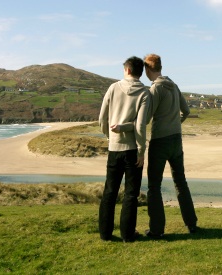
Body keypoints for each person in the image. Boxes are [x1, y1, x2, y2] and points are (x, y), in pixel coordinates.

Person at [143, 53, 198, 238]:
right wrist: (176, 123)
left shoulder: (155, 89)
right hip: (176, 139)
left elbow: (147, 117)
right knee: (181, 182)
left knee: (154, 186)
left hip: (160, 141)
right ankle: (191, 224)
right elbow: (187, 111)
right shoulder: (174, 86)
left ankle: (157, 230)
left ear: (148, 68)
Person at [98, 56, 150, 242]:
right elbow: (140, 126)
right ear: (139, 72)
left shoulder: (113, 88)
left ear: (127, 70)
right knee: (131, 194)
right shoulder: (145, 93)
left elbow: (102, 119)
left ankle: (105, 234)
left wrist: (110, 136)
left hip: (114, 148)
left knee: (110, 192)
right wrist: (141, 151)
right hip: (132, 150)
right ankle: (127, 235)